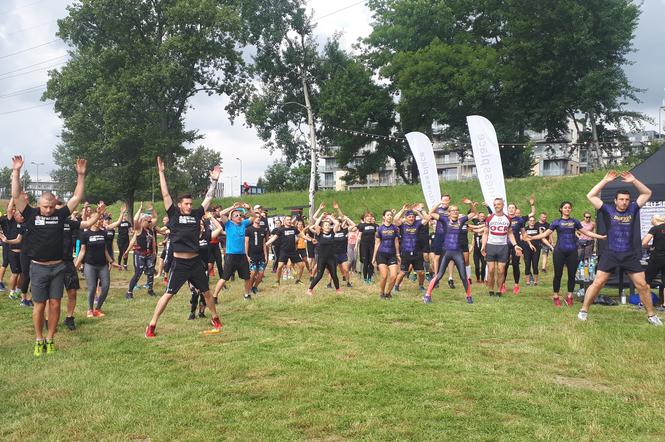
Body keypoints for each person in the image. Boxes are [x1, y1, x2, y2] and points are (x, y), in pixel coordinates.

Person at [11, 155, 86, 356]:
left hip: (58, 267)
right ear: (39, 204)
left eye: (51, 206)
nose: (48, 209)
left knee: (55, 303)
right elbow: (16, 194)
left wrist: (80, 176)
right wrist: (16, 171)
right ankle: (38, 338)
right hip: (38, 267)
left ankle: (51, 338)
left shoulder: (60, 216)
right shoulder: (31, 214)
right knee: (39, 304)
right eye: (45, 206)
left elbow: (76, 198)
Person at [145, 157, 224, 337]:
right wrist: (161, 173)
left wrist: (214, 181)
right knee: (168, 294)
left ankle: (215, 318)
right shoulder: (173, 215)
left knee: (207, 293)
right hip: (179, 264)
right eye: (186, 204)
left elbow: (209, 198)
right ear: (180, 204)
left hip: (196, 263)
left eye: (190, 203)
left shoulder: (197, 214)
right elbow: (165, 195)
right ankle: (152, 325)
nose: (189, 206)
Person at [578, 171, 662, 325]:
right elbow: (591, 195)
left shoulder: (633, 208)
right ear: (615, 201)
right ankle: (583, 311)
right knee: (597, 283)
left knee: (642, 285)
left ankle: (651, 315)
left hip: (629, 254)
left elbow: (647, 192)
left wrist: (634, 180)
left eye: (626, 200)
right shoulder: (608, 209)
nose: (624, 202)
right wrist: (604, 180)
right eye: (621, 199)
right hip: (611, 253)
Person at [527, 202, 605, 307]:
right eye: (565, 207)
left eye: (569, 208)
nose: (567, 209)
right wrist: (531, 237)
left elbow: (587, 233)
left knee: (572, 276)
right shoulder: (556, 222)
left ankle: (569, 297)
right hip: (559, 252)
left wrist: (600, 237)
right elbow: (545, 234)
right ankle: (556, 296)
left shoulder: (575, 222)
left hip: (572, 252)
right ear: (561, 209)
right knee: (558, 275)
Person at [60, 201, 103, 330]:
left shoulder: (69, 223)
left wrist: (98, 213)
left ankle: (69, 318)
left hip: (67, 262)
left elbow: (87, 223)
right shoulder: (47, 223)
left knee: (72, 292)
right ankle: (47, 319)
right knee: (52, 296)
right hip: (52, 262)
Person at [427, 200, 477, 304]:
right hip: (446, 251)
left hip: (458, 252)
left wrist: (470, 204)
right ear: (449, 212)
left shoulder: (461, 220)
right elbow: (431, 213)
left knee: (463, 276)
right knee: (439, 275)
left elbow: (473, 213)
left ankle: (469, 297)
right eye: (453, 210)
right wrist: (439, 203)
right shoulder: (444, 220)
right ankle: (427, 295)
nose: (455, 212)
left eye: (457, 210)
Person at [74, 211, 119, 317]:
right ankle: (90, 309)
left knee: (106, 286)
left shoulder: (103, 233)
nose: (99, 221)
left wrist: (112, 262)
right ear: (92, 220)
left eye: (100, 219)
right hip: (90, 265)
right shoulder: (85, 234)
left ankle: (98, 309)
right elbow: (82, 251)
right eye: (97, 219)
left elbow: (105, 251)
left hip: (103, 265)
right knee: (92, 288)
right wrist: (76, 264)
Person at [481, 197, 523, 298]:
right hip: (491, 246)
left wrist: (515, 245)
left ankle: (499, 291)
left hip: (503, 247)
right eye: (495, 204)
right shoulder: (490, 218)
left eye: (498, 204)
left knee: (501, 270)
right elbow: (485, 233)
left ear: (502, 205)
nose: (496, 206)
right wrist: (483, 246)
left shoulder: (507, 218)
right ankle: (491, 290)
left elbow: (510, 233)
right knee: (491, 270)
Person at [212, 203, 254, 301]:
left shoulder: (243, 223)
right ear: (231, 218)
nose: (239, 216)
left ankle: (247, 295)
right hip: (231, 255)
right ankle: (214, 296)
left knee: (247, 277)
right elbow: (220, 213)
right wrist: (233, 207)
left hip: (242, 255)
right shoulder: (228, 224)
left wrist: (249, 209)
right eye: (236, 215)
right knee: (225, 277)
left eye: (240, 215)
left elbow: (254, 216)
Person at [188, 211, 224, 320]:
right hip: (191, 268)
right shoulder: (189, 237)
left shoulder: (206, 236)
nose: (201, 226)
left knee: (204, 291)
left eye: (202, 225)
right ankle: (192, 312)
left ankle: (202, 312)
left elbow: (219, 229)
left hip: (204, 269)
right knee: (195, 292)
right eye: (198, 225)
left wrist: (211, 218)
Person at [393, 204, 430, 294]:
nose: (411, 218)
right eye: (409, 217)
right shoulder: (402, 225)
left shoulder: (418, 224)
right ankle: (396, 286)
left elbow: (427, 218)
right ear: (406, 217)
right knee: (402, 273)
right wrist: (402, 210)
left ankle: (421, 286)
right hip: (405, 252)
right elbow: (395, 219)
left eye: (413, 217)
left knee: (421, 273)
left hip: (417, 252)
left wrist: (421, 210)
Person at [503, 196, 535, 295]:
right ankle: (502, 284)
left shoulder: (520, 220)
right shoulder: (503, 218)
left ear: (515, 210)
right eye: (509, 208)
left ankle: (516, 285)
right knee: (505, 265)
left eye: (513, 208)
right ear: (507, 210)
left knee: (516, 264)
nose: (511, 209)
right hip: (505, 245)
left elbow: (523, 232)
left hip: (517, 245)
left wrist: (529, 239)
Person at [306, 213, 342, 295]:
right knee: (319, 276)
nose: (328, 226)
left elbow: (336, 223)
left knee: (334, 275)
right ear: (322, 227)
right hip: (322, 258)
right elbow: (316, 224)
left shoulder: (332, 233)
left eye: (329, 225)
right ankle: (309, 290)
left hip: (331, 258)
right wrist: (322, 216)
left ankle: (338, 290)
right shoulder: (319, 234)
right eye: (326, 225)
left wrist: (330, 217)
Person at [266, 215, 306, 286]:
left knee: (302, 266)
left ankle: (298, 280)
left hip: (293, 251)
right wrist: (266, 243)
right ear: (284, 221)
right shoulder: (281, 230)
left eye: (290, 219)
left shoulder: (294, 229)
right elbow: (274, 237)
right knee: (280, 266)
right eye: (287, 220)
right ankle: (277, 282)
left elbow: (302, 235)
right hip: (284, 251)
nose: (289, 221)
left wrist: (310, 239)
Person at [124, 214, 157, 299]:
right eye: (148, 221)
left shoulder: (150, 230)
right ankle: (129, 292)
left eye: (150, 221)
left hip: (149, 254)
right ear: (143, 221)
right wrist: (127, 251)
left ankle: (150, 290)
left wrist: (154, 251)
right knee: (138, 273)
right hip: (139, 254)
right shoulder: (139, 229)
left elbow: (153, 241)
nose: (150, 223)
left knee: (151, 271)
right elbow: (135, 220)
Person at [372, 210, 401, 299]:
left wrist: (398, 254)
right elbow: (377, 243)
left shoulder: (395, 228)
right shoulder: (380, 228)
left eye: (391, 215)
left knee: (394, 276)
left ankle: (388, 293)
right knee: (384, 276)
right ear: (384, 217)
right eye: (387, 215)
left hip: (392, 254)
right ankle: (381, 292)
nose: (389, 216)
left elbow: (396, 242)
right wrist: (374, 257)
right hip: (381, 254)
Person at [521, 215, 552, 286]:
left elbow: (543, 238)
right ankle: (528, 282)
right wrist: (530, 245)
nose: (532, 222)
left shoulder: (538, 229)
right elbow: (524, 238)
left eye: (533, 220)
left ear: (535, 222)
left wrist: (550, 246)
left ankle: (535, 282)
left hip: (536, 249)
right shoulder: (525, 229)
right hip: (527, 249)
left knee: (535, 265)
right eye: (530, 220)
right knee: (527, 265)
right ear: (528, 222)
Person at [643, 214, 665, 310]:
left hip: (657, 257)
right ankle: (664, 305)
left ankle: (647, 303)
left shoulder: (655, 228)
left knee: (647, 280)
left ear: (654, 221)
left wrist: (650, 247)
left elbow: (644, 242)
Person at [245, 212, 268, 295]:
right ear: (253, 218)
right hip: (252, 254)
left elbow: (264, 244)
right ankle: (250, 287)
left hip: (261, 254)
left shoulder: (263, 230)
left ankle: (255, 287)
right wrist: (246, 255)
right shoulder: (248, 229)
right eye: (257, 217)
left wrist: (266, 255)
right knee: (253, 272)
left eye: (259, 217)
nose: (258, 218)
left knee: (261, 273)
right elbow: (246, 243)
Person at [357, 212, 377, 284]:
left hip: (372, 246)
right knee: (365, 263)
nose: (369, 218)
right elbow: (359, 236)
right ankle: (365, 278)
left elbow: (376, 236)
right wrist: (356, 246)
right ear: (365, 218)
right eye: (367, 216)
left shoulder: (375, 226)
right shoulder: (362, 226)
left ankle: (369, 278)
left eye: (370, 216)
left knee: (371, 262)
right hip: (364, 246)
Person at [470, 212, 487, 283]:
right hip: (476, 252)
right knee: (477, 266)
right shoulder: (475, 234)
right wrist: (471, 249)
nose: (482, 217)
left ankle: (482, 279)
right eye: (481, 216)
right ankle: (477, 279)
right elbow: (473, 241)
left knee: (483, 266)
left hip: (483, 252)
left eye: (483, 216)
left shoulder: (485, 235)